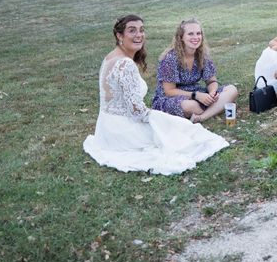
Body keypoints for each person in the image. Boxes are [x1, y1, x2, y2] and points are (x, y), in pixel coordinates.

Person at [83, 15, 229, 175]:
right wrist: (159, 118)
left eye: (141, 30)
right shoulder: (126, 64)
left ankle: (198, 114)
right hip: (122, 131)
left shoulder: (111, 57)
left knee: (179, 128)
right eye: (132, 31)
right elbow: (137, 112)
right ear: (120, 36)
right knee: (180, 136)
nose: (139, 35)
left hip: (106, 128)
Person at [152, 18, 238, 123]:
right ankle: (215, 108)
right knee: (190, 106)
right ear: (181, 37)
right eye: (190, 34)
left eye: (198, 33)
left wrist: (212, 93)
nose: (196, 37)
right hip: (171, 98)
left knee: (232, 90)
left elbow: (211, 81)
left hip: (197, 94)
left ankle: (201, 117)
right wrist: (196, 95)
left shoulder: (201, 54)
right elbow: (169, 91)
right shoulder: (171, 58)